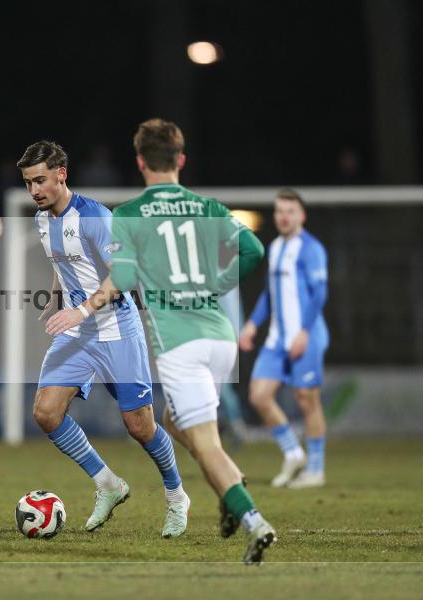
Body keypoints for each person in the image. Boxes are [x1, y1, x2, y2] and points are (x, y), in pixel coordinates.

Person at [107, 118, 276, 564]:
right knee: (174, 420)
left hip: (180, 344)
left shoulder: (127, 215)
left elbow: (122, 279)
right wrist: (218, 284)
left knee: (206, 444)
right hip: (219, 338)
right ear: (181, 160)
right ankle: (230, 491)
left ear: (141, 162)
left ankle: (253, 521)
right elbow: (255, 251)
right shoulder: (211, 208)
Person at [17, 140, 190, 538]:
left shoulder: (95, 217)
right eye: (28, 183)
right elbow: (62, 262)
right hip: (78, 332)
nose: (34, 191)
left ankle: (177, 495)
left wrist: (80, 309)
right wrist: (57, 298)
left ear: (62, 174)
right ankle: (108, 484)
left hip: (116, 329)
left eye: (40, 181)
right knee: (46, 413)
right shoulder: (41, 219)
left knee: (139, 426)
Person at [239, 188, 329, 489]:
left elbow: (319, 294)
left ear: (301, 215)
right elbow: (269, 293)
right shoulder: (276, 247)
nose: (284, 217)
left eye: (290, 211)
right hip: (277, 340)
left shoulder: (311, 248)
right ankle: (293, 453)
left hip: (307, 335)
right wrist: (252, 324)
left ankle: (315, 469)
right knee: (259, 396)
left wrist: (304, 331)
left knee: (307, 400)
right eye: (279, 211)